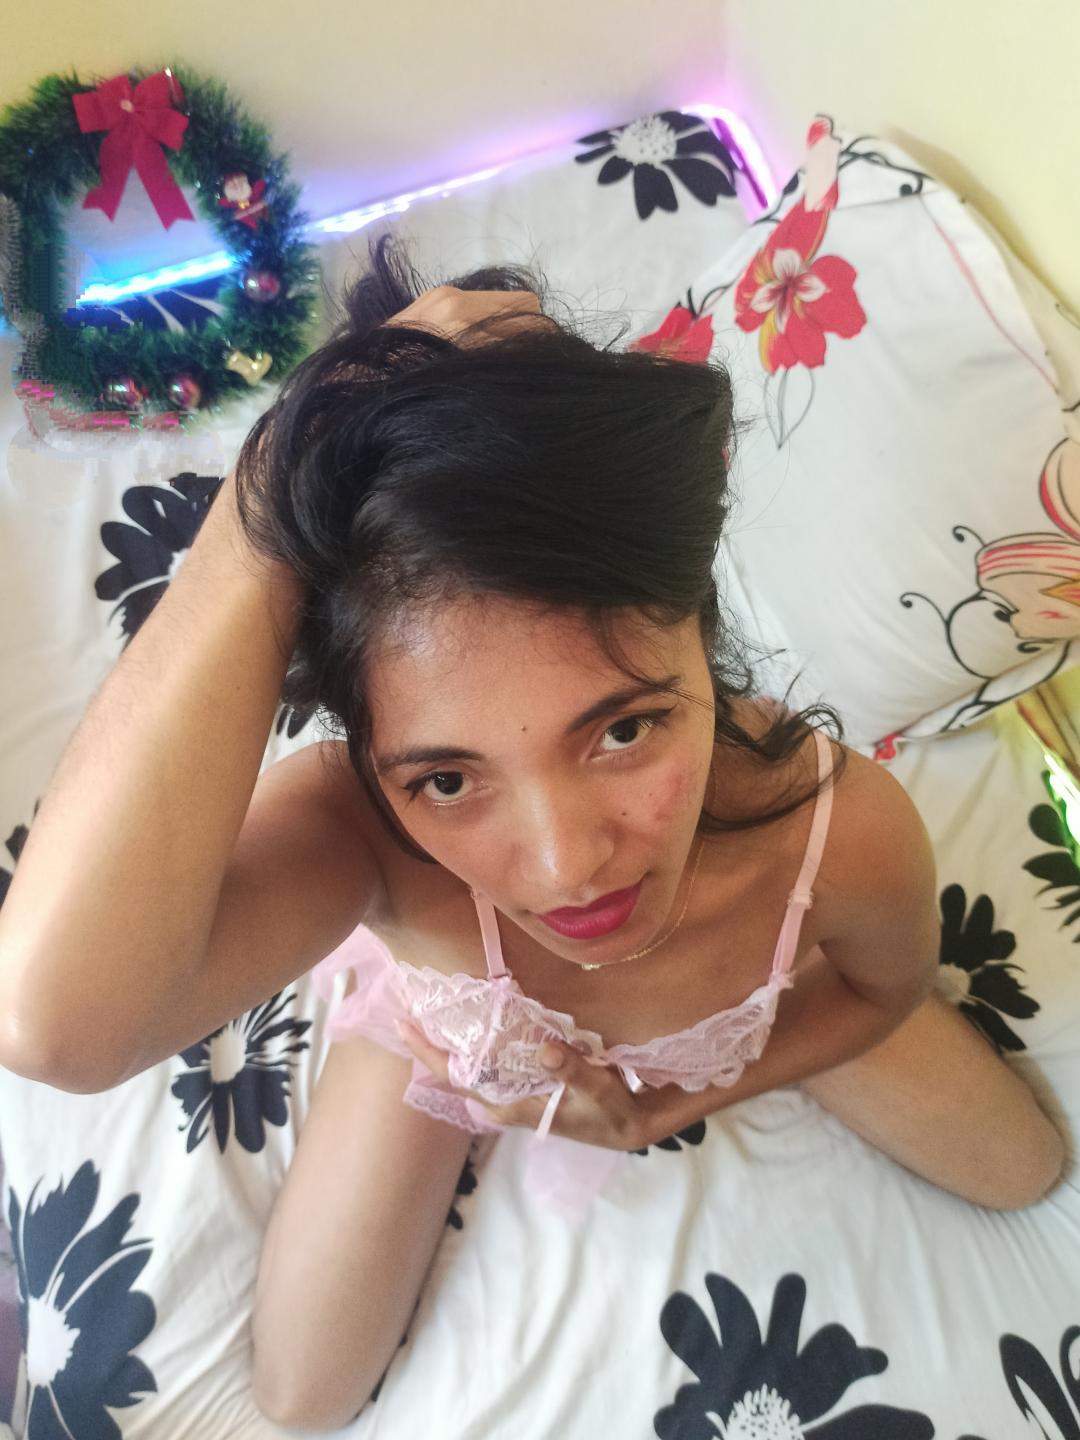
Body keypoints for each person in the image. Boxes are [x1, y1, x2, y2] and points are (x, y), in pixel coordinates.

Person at [0, 234, 1065, 1431]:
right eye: (449, 778)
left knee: (1025, 1167)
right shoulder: (367, 839)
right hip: (466, 1035)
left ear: (699, 626)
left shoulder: (833, 831)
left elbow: (886, 988)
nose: (566, 871)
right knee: (305, 1396)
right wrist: (280, 473)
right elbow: (56, 1023)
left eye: (622, 730)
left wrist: (664, 1106)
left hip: (751, 986)